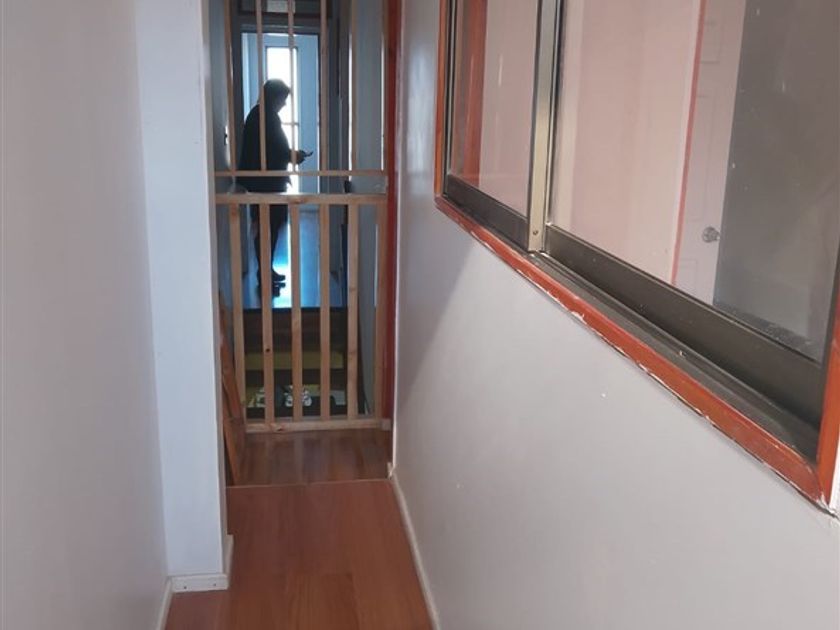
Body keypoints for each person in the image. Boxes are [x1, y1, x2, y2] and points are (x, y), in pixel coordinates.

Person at [238, 79, 312, 295]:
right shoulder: (266, 117)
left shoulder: (258, 115)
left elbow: (272, 149)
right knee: (267, 229)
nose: (285, 103)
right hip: (266, 185)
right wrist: (296, 156)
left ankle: (266, 271)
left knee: (267, 228)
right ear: (274, 97)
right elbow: (278, 150)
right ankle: (264, 275)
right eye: (283, 98)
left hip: (262, 183)